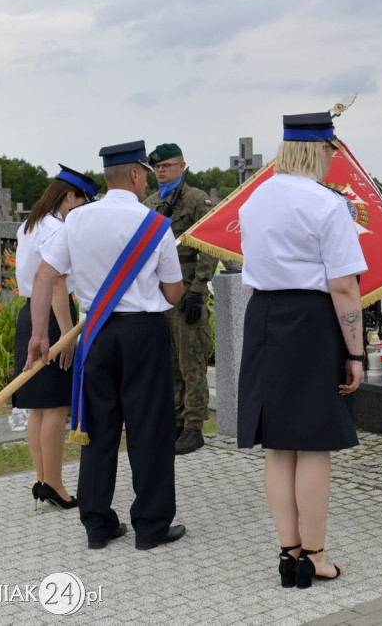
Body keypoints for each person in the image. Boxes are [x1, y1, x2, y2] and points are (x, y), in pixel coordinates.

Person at [27, 140, 187, 551]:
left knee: (96, 430)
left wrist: (40, 335)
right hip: (143, 334)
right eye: (145, 174)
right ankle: (150, 527)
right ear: (136, 174)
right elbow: (172, 294)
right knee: (149, 429)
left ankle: (98, 525)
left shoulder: (76, 220)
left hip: (95, 333)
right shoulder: (155, 225)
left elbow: (45, 276)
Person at [237, 112, 366, 589]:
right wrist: (355, 354)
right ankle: (314, 555)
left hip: (264, 316)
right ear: (320, 149)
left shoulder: (254, 200)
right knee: (313, 443)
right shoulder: (327, 205)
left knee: (278, 444)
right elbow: (345, 288)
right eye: (333, 150)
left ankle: (289, 551)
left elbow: (253, 275)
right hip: (312, 321)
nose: (335, 159)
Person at [14, 165, 99, 511]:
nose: (80, 210)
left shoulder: (30, 224)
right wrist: (67, 333)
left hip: (28, 312)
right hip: (51, 315)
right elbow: (58, 282)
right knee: (54, 407)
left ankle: (43, 479)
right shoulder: (55, 228)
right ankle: (56, 485)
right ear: (69, 197)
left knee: (39, 408)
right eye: (80, 202)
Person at [143, 143, 217, 455]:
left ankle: (194, 427)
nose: (161, 170)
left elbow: (208, 246)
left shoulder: (197, 199)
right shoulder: (149, 203)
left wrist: (198, 291)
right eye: (157, 167)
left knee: (191, 363)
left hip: (187, 292)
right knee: (170, 364)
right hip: (161, 293)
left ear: (182, 166)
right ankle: (175, 422)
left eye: (168, 165)